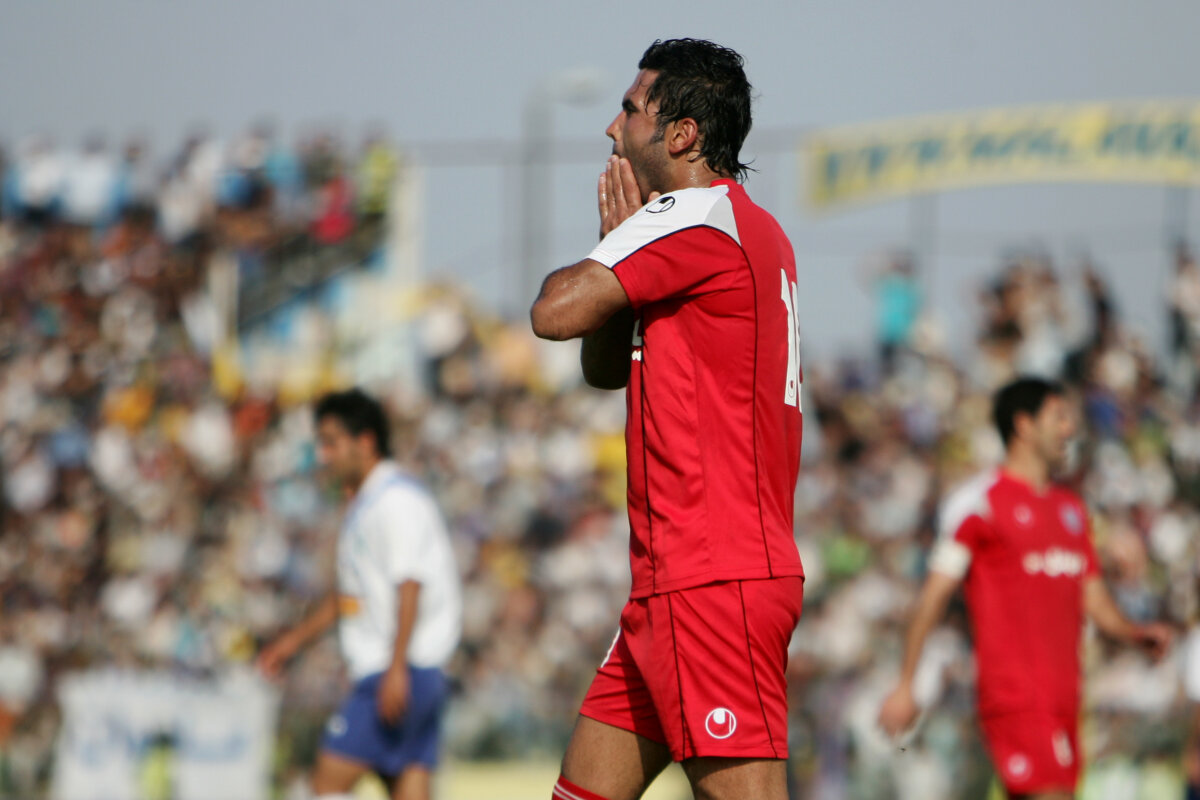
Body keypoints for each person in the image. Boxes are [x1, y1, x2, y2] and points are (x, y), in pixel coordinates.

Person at [530, 38, 805, 800]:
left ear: (682, 134)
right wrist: (620, 248)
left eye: (629, 110)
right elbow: (602, 367)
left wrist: (616, 241)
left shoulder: (689, 214)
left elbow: (553, 313)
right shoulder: (749, 227)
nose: (611, 129)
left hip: (710, 580)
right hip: (675, 585)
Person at [877, 377, 1172, 800]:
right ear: (1024, 425)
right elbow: (933, 596)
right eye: (1059, 417)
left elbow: (1092, 596)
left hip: (1067, 697)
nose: (1070, 428)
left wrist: (1133, 632)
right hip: (1016, 696)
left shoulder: (1071, 510)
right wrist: (907, 684)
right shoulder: (980, 503)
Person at [257, 389, 461, 800]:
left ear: (365, 442)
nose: (323, 455)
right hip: (414, 671)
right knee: (408, 787)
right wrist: (293, 642)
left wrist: (397, 667)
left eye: (331, 442)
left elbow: (410, 584)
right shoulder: (370, 502)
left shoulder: (395, 500)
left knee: (326, 785)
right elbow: (352, 594)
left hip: (397, 670)